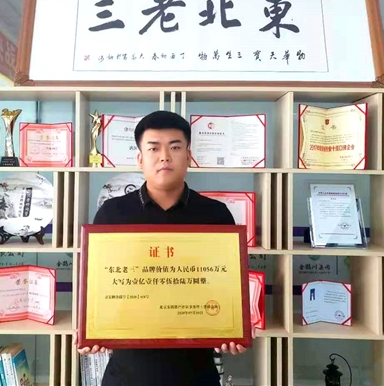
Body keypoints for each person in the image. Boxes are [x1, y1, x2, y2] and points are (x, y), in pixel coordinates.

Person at [76, 110, 252, 386]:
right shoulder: (112, 214)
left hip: (196, 373)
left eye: (175, 147)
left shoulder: (215, 215)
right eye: (154, 148)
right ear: (140, 158)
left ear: (188, 156)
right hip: (128, 373)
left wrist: (231, 330)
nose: (164, 157)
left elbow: (224, 287)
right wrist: (93, 329)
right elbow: (100, 286)